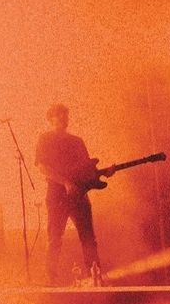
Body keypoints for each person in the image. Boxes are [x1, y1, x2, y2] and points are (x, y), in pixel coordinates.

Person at [35, 104, 113, 286]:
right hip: (57, 195)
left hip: (79, 195)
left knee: (88, 237)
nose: (63, 118)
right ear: (50, 119)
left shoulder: (77, 141)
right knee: (55, 238)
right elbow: (42, 167)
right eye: (59, 115)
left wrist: (103, 173)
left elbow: (87, 170)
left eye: (65, 115)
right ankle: (51, 279)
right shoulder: (45, 139)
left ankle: (95, 276)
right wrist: (65, 182)